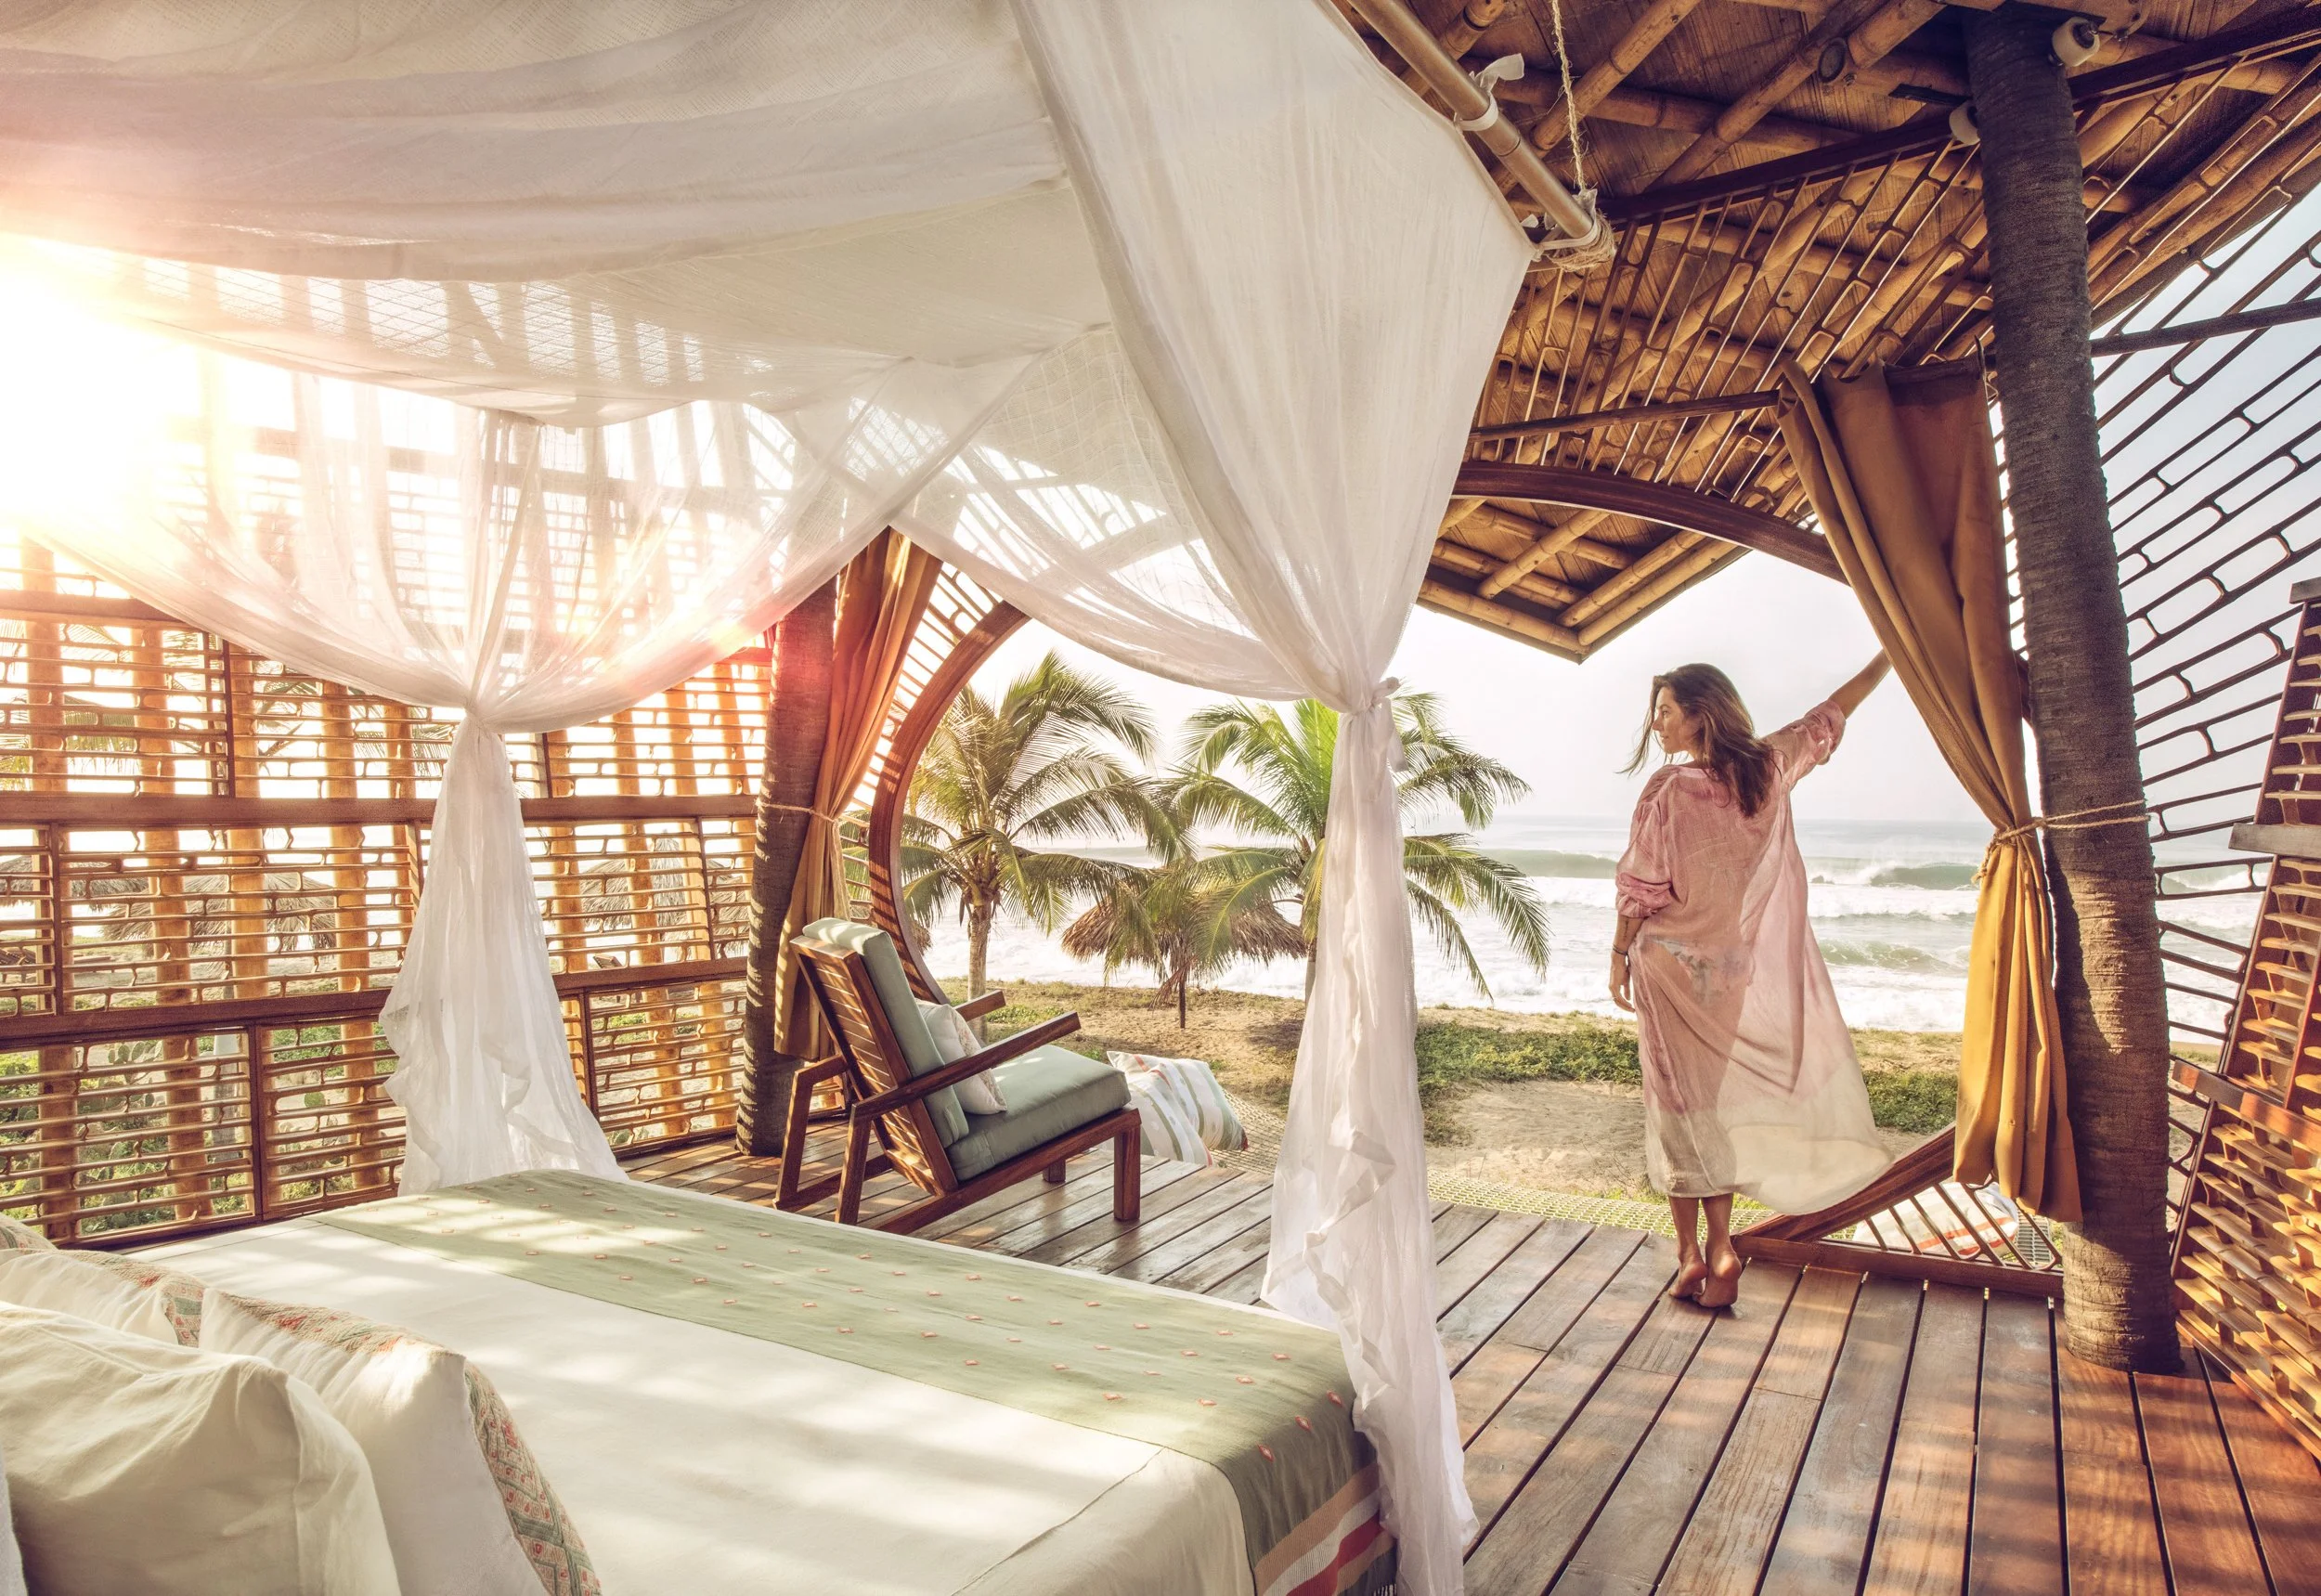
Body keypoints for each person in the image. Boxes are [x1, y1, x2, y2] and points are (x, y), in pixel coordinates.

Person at [1610, 656, 1895, 1308]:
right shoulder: (1769, 768)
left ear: (1699, 715)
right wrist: (1888, 658)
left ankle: (1699, 1255)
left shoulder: (1668, 790)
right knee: (1705, 1106)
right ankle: (1713, 1246)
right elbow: (1830, 713)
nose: (1656, 724)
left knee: (1676, 1110)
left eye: (1665, 711)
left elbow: (1642, 886)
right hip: (1728, 972)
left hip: (1668, 966)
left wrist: (1618, 953)